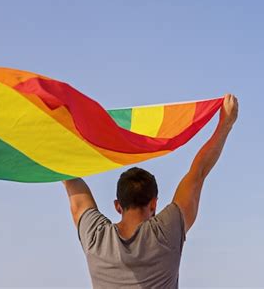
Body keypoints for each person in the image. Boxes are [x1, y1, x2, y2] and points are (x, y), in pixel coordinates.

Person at [62, 93, 239, 288]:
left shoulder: (97, 238)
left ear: (118, 206)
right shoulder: (166, 233)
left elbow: (72, 184)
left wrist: (53, 144)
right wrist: (225, 125)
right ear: (154, 204)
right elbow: (198, 173)